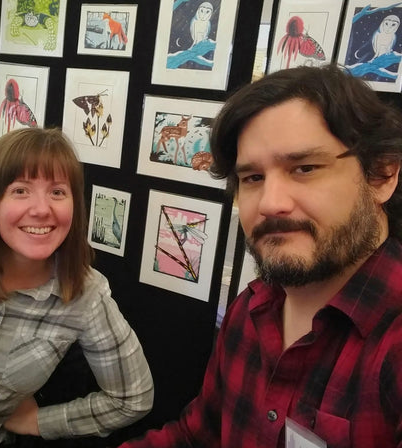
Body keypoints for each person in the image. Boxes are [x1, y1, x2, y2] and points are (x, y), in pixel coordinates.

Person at [118, 64, 402, 448]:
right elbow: (198, 436)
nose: (270, 204)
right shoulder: (250, 310)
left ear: (381, 174)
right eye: (252, 178)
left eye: (304, 168)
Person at [0, 127, 154, 447]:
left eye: (57, 192)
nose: (42, 209)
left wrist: (40, 422)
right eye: (21, 190)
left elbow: (133, 398)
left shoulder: (84, 295)